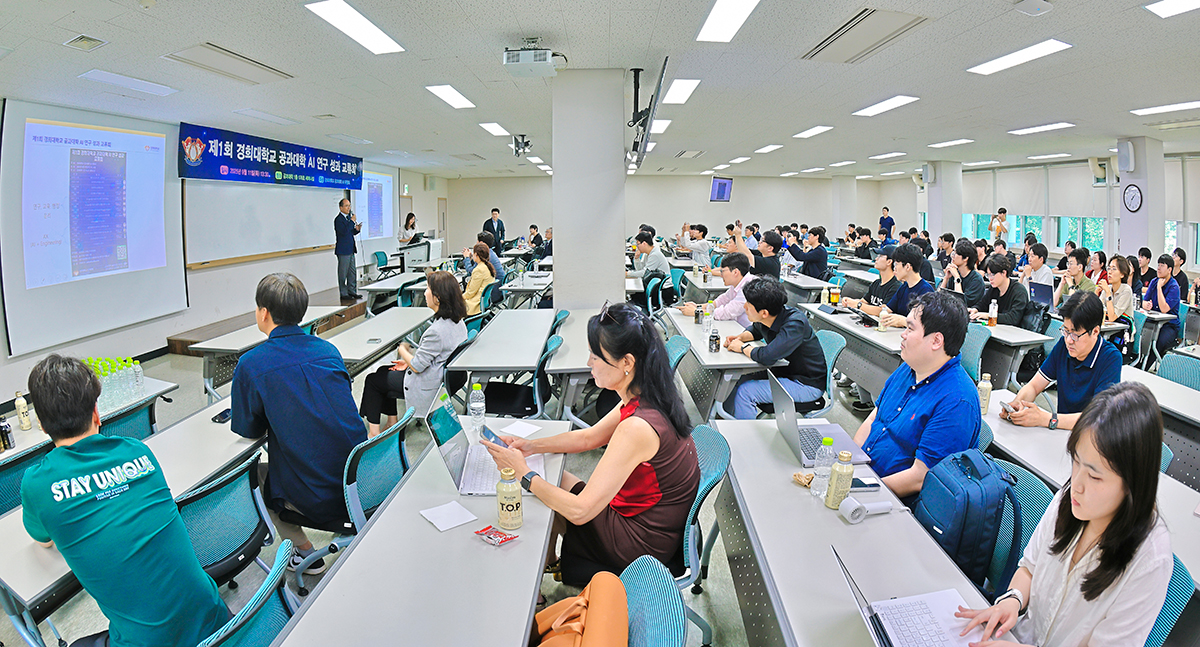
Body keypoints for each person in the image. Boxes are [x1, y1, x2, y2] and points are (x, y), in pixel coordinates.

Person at [482, 302, 700, 587]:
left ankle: (535, 579)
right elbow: (588, 437)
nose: (588, 363)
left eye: (596, 356)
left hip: (640, 544)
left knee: (543, 485)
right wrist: (531, 446)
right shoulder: (648, 395)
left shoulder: (637, 427)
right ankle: (549, 563)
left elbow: (581, 510)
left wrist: (523, 473)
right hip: (649, 523)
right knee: (551, 477)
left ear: (627, 363)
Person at [21, 355, 230, 647]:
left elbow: (44, 541)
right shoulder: (135, 450)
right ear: (96, 411)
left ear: (42, 424)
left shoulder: (37, 483)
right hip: (217, 619)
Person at [955, 382, 1172, 647]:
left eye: (1094, 475)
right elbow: (1030, 568)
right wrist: (1013, 599)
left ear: (1133, 483)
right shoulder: (1070, 499)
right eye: (1076, 461)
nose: (1077, 484)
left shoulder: (1149, 558)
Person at [232, 273, 368, 573]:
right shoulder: (328, 350)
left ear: (263, 312)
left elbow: (248, 430)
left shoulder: (252, 364)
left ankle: (305, 553)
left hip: (319, 498)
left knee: (254, 475)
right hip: (363, 479)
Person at [853, 291, 981, 499]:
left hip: (896, 502)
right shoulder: (909, 367)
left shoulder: (956, 400)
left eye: (910, 328)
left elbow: (920, 477)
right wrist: (850, 463)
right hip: (868, 478)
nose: (903, 334)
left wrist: (859, 488)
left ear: (936, 341)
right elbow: (874, 418)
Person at [359, 271, 468, 436]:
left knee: (373, 380)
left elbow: (417, 367)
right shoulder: (457, 321)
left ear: (437, 298)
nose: (425, 293)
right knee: (384, 372)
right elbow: (435, 356)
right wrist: (409, 361)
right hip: (446, 376)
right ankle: (392, 422)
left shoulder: (437, 331)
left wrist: (402, 349)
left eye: (428, 289)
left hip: (429, 382)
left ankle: (373, 434)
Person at [1002, 292, 1120, 431]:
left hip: (1089, 436)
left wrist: (1045, 418)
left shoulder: (1110, 359)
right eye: (1066, 331)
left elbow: (1097, 418)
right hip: (1061, 430)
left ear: (1095, 331)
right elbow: (1034, 386)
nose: (1069, 340)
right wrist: (1017, 405)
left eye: (1075, 334)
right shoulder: (1064, 346)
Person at [721, 279, 827, 419]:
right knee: (736, 379)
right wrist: (739, 338)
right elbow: (756, 330)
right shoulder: (771, 315)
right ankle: (727, 421)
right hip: (785, 373)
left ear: (764, 313)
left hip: (806, 384)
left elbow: (767, 356)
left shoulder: (795, 324)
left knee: (746, 392)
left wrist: (742, 348)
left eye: (749, 304)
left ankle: (743, 435)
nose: (745, 306)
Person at [675, 252, 756, 327]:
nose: (721, 275)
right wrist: (698, 306)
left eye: (722, 271)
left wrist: (696, 312)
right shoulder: (738, 282)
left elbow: (727, 312)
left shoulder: (750, 286)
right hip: (736, 326)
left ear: (735, 272)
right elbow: (722, 300)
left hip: (747, 332)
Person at [880, 243, 934, 328]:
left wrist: (904, 321)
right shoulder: (904, 287)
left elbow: (926, 325)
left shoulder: (926, 291)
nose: (894, 268)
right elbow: (888, 309)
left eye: (896, 264)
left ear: (908, 267)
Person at [970, 255, 1029, 326]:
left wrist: (989, 316)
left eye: (993, 274)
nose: (990, 278)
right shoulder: (994, 288)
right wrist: (975, 309)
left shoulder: (1019, 291)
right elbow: (983, 304)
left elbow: (1013, 318)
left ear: (1004, 273)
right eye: (988, 275)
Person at [1143, 253, 1181, 359]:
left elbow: (1164, 309)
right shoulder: (1154, 281)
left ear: (1169, 270)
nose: (1158, 268)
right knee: (1141, 337)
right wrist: (1146, 305)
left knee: (1158, 341)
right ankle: (1139, 363)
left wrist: (1159, 288)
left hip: (1169, 326)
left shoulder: (1174, 287)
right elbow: (1143, 301)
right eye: (1158, 265)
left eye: (1162, 266)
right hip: (1153, 322)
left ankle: (1145, 368)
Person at [842, 245, 899, 316]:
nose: (876, 259)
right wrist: (850, 301)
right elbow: (864, 301)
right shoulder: (876, 283)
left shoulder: (896, 287)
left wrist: (858, 305)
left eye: (880, 256)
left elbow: (883, 311)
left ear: (889, 262)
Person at [1097, 255, 1137, 359]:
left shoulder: (1126, 290)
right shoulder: (1108, 288)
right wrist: (1096, 293)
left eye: (1114, 269)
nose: (1109, 272)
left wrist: (1107, 293)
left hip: (1122, 339)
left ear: (1122, 274)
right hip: (1109, 334)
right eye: (1109, 268)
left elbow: (1112, 317)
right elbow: (1096, 310)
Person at [942, 239, 986, 306]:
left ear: (965, 258)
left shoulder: (976, 280)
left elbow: (961, 304)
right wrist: (946, 278)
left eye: (956, 253)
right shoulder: (954, 274)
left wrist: (957, 278)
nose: (952, 256)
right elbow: (939, 298)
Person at [334, 197, 362, 301]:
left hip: (350, 249)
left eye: (349, 205)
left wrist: (357, 230)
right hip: (343, 251)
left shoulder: (347, 219)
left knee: (352, 272)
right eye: (346, 206)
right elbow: (344, 232)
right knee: (343, 273)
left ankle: (352, 291)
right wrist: (352, 221)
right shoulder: (338, 220)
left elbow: (350, 232)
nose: (349, 208)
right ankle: (343, 293)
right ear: (341, 208)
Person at [463, 242, 497, 315]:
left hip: (475, 304)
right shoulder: (487, 266)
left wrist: (458, 297)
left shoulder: (479, 270)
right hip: (481, 302)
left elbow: (471, 293)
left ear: (476, 255)